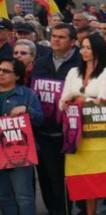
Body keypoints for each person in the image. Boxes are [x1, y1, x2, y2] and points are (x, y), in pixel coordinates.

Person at [59, 32, 106, 215]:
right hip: (75, 132)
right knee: (86, 176)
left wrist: (76, 97)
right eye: (82, 47)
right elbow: (62, 104)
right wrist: (76, 99)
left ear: (97, 50)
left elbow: (102, 100)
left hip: (99, 131)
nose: (83, 51)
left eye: (88, 48)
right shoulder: (72, 72)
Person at [31, 23, 81, 215]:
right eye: (54, 36)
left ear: (73, 42)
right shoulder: (42, 62)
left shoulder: (79, 63)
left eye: (61, 37)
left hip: (68, 132)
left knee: (61, 179)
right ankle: (53, 209)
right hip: (43, 130)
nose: (56, 40)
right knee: (44, 177)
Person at [0, 57, 42, 215]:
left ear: (17, 76)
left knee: (24, 196)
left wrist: (27, 110)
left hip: (20, 151)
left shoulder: (28, 94)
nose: (1, 73)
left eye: (6, 71)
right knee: (4, 196)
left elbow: (40, 119)